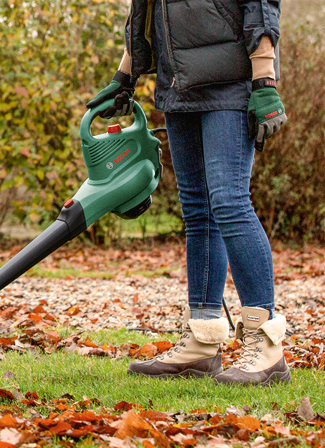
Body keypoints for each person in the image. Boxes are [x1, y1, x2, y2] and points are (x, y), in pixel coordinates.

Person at [88, 0, 289, 386]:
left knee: (229, 202)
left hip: (230, 82)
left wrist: (265, 80)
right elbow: (144, 11)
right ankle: (202, 338)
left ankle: (266, 346)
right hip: (178, 84)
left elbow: (260, 7)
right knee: (198, 211)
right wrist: (125, 75)